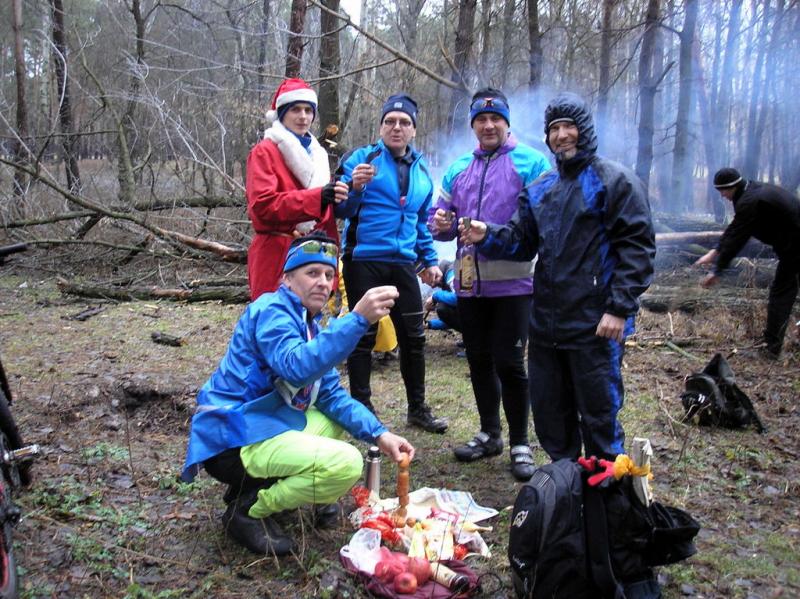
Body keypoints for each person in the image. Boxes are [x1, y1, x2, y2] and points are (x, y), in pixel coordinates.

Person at [181, 233, 415, 556]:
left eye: (329, 275)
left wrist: (380, 433)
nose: (323, 282)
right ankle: (250, 509)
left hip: (264, 424)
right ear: (288, 278)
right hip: (233, 439)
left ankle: (260, 486)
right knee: (347, 464)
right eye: (312, 273)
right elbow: (295, 367)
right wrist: (357, 319)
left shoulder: (309, 325)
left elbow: (331, 395)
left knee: (333, 421)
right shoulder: (271, 312)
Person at [459, 92, 655, 462]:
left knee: (598, 413)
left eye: (569, 127)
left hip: (596, 323)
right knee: (550, 413)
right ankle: (566, 488)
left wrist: (619, 308)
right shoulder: (542, 188)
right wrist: (489, 235)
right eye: (554, 130)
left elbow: (637, 249)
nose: (562, 135)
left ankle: (604, 497)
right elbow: (521, 242)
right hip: (546, 323)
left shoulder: (614, 182)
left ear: (585, 131)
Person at [429, 88, 550, 480]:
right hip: (468, 285)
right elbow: (440, 218)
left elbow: (541, 226)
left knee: (511, 364)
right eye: (481, 120)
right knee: (479, 360)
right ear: (473, 126)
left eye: (495, 118)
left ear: (506, 122)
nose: (488, 125)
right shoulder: (459, 167)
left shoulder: (532, 163)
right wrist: (441, 225)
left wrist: (492, 232)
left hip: (514, 285)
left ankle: (520, 443)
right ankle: (489, 433)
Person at [334, 93, 447, 433]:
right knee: (362, 334)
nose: (396, 127)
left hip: (403, 264)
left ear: (413, 129)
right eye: (390, 121)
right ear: (381, 126)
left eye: (404, 122)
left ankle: (418, 409)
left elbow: (419, 221)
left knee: (414, 337)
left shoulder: (423, 170)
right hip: (363, 260)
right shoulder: (362, 159)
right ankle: (361, 408)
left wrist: (428, 259)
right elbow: (339, 210)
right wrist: (353, 188)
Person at [245, 78, 349, 300]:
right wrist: (317, 198)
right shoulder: (265, 152)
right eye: (295, 109)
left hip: (312, 255)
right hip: (276, 254)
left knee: (307, 324)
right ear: (282, 113)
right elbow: (263, 206)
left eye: (308, 110)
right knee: (274, 323)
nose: (303, 116)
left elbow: (325, 215)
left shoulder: (318, 154)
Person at [695, 167, 800, 358]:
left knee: (781, 292)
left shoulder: (750, 201)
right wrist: (716, 251)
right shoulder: (751, 191)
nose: (722, 196)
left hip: (795, 247)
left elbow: (738, 239)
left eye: (723, 191)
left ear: (731, 186)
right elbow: (736, 227)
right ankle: (773, 344)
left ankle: (771, 348)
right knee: (783, 290)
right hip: (791, 246)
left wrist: (717, 271)